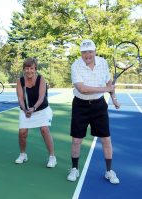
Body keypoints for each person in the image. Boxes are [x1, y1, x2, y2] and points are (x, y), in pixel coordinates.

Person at [67, 39, 120, 184]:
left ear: (95, 51)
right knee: (77, 140)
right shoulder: (76, 65)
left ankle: (109, 171)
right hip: (80, 105)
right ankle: (74, 169)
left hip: (99, 105)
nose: (87, 55)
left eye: (90, 51)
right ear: (81, 53)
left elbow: (109, 83)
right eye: (84, 52)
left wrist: (114, 98)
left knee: (106, 139)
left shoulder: (102, 63)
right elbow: (82, 88)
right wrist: (106, 89)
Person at [15, 57, 57, 168]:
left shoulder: (41, 79)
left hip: (42, 110)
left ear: (35, 69)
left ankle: (52, 157)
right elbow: (20, 98)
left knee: (44, 130)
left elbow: (41, 97)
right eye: (27, 68)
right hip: (26, 110)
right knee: (22, 133)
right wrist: (25, 109)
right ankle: (23, 154)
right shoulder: (20, 81)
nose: (29, 71)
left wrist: (33, 108)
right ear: (24, 69)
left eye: (32, 68)